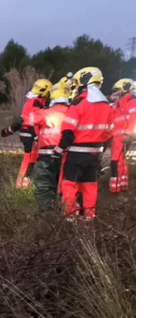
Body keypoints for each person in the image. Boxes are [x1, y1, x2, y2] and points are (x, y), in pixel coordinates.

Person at [49, 66, 115, 220]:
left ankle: (70, 217)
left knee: (69, 185)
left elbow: (68, 131)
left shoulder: (79, 102)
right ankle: (89, 217)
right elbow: (109, 132)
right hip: (94, 154)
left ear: (85, 81)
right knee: (90, 186)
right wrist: (100, 147)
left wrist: (58, 150)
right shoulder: (106, 105)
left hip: (76, 153)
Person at [1, 78, 52, 189]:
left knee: (31, 159)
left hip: (28, 132)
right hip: (29, 133)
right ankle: (21, 186)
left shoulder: (33, 100)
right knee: (29, 159)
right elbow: (34, 121)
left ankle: (25, 184)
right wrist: (36, 136)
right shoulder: (36, 102)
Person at [31, 82, 72, 211]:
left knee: (44, 185)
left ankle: (46, 215)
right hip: (68, 155)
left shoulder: (44, 113)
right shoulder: (73, 112)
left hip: (46, 155)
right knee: (65, 186)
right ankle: (64, 212)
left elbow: (30, 121)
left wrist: (37, 108)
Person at [110, 78, 136, 192]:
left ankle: (118, 188)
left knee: (118, 161)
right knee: (117, 161)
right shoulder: (120, 103)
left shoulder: (132, 102)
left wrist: (128, 134)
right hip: (117, 137)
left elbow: (134, 119)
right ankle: (119, 186)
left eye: (118, 90)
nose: (116, 92)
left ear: (125, 88)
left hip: (123, 137)